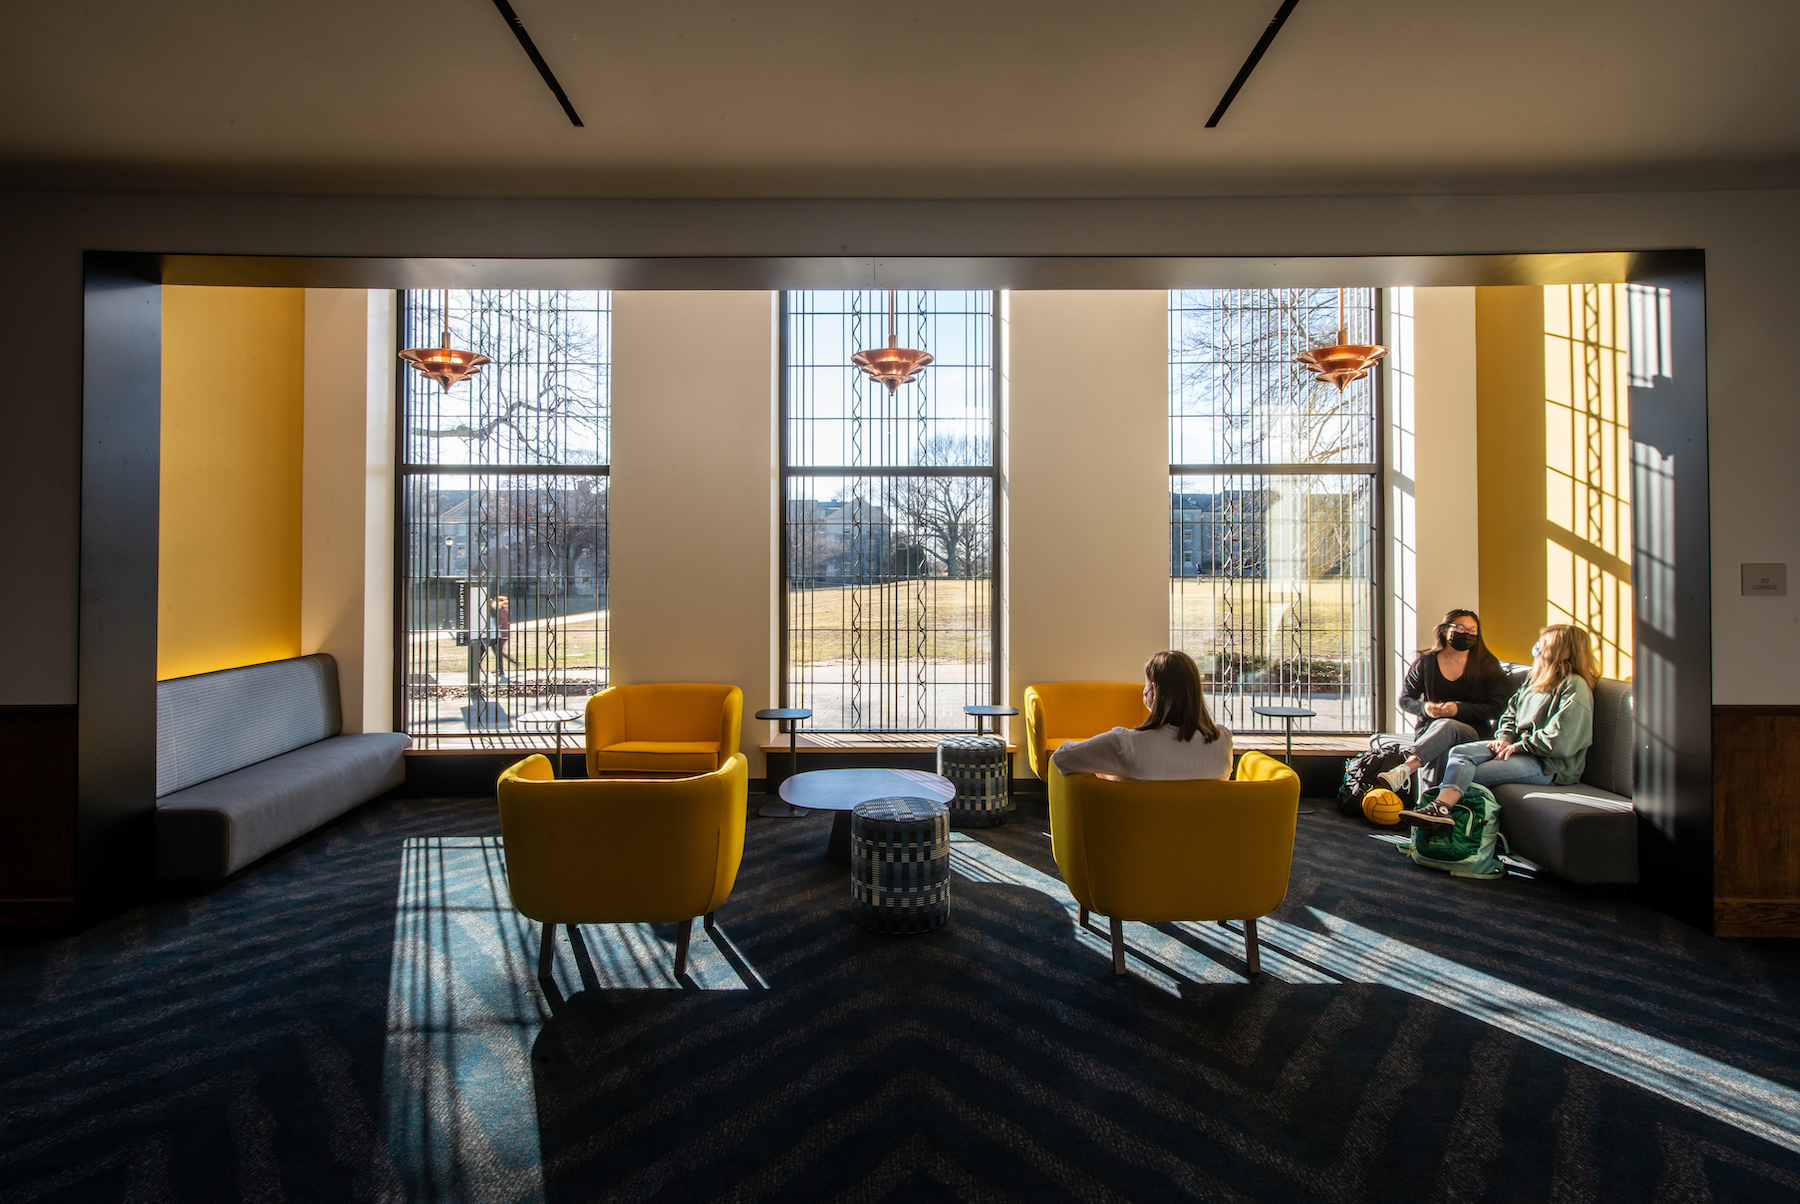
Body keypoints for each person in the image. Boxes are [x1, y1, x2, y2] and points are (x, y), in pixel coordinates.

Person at [1399, 624, 1599, 827]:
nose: (1537, 647)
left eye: (1543, 643)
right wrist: (1504, 739)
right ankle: (1438, 809)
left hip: (1548, 764)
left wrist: (1518, 746)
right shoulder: (1535, 680)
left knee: (1465, 775)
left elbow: (1561, 740)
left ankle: (1440, 811)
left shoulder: (1575, 686)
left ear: (1557, 649)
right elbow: (1509, 714)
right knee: (1459, 753)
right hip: (1518, 750)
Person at [1379, 609, 1514, 793]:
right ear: (1444, 630)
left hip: (1472, 734)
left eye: (1471, 630)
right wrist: (1425, 708)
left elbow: (1497, 708)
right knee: (1441, 743)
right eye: (1459, 628)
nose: (1466, 634)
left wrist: (1458, 709)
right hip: (1432, 732)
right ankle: (1427, 808)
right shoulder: (1425, 663)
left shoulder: (1487, 665)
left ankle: (1406, 769)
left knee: (1449, 725)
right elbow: (1405, 700)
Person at [1050, 650, 1234, 781]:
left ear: (1153, 690)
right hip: (1204, 835)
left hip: (1136, 835)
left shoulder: (1126, 745)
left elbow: (1061, 758)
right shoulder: (1223, 743)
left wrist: (1111, 772)